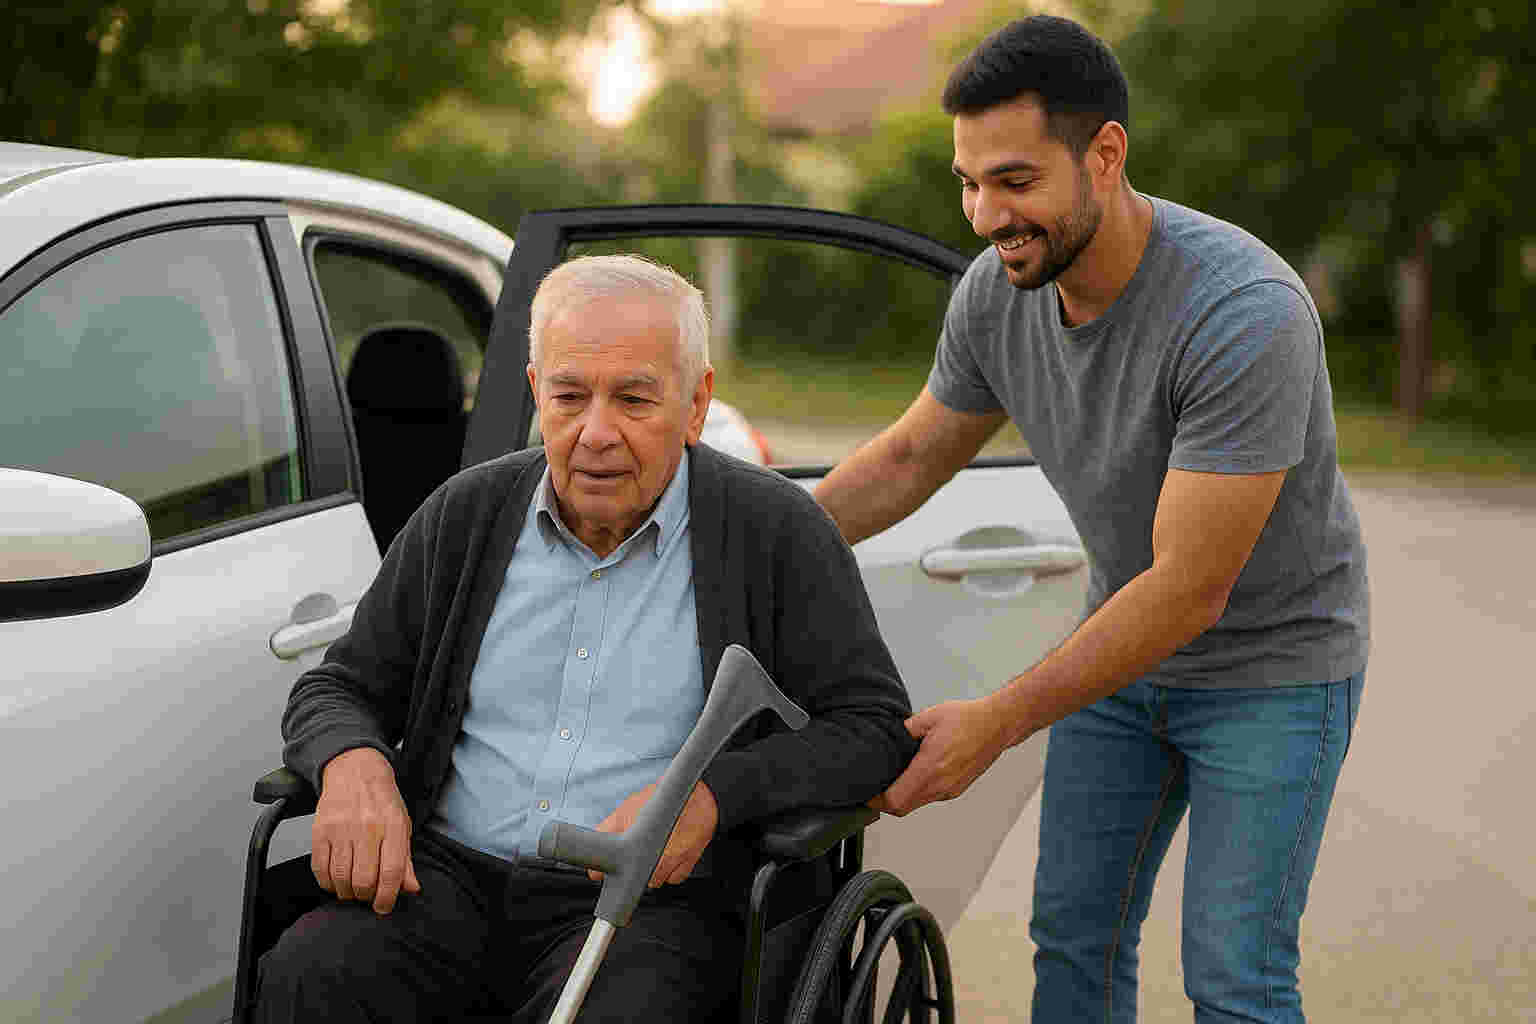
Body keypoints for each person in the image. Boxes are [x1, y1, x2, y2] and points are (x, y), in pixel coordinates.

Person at [815, 15, 1369, 1023]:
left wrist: (997, 719)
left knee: (1235, 977)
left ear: (1104, 156)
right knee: (1074, 947)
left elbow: (1189, 588)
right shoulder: (996, 295)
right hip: (1124, 667)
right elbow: (907, 458)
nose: (985, 213)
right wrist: (753, 545)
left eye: (1015, 181)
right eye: (969, 182)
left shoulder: (1243, 310)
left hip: (1275, 672)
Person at [256, 254, 916, 1023]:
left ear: (696, 403)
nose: (596, 433)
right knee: (312, 976)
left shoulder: (776, 532)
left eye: (634, 399)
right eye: (569, 397)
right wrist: (353, 766)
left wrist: (713, 797)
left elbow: (872, 729)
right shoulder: (465, 515)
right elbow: (337, 687)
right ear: (537, 392)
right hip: (443, 884)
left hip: (649, 905)